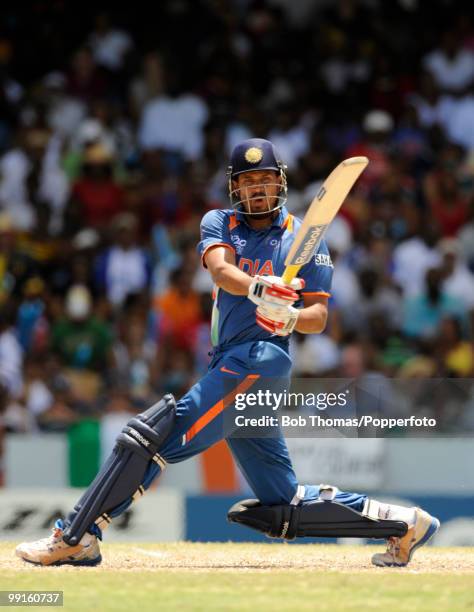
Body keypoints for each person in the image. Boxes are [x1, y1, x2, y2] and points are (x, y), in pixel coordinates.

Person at [15, 138, 439, 568]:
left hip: (261, 362)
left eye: (266, 180)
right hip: (231, 361)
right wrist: (260, 288)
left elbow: (319, 316)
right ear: (235, 187)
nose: (258, 189)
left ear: (280, 183)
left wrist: (289, 316)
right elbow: (221, 270)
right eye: (249, 181)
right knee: (282, 502)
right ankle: (404, 522)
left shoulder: (302, 237)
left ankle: (76, 535)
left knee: (148, 437)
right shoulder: (220, 221)